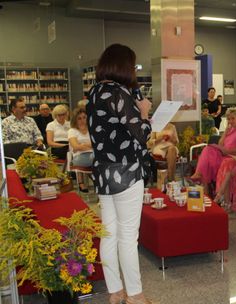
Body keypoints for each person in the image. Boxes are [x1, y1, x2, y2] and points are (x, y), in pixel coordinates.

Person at [86, 43, 153, 304]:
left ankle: (115, 292)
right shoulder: (120, 94)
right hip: (126, 171)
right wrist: (145, 113)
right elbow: (142, 135)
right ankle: (135, 295)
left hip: (103, 172)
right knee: (128, 236)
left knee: (109, 232)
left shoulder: (94, 92)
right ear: (124, 67)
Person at [190, 108, 236, 194]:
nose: (230, 121)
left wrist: (228, 151)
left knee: (207, 154)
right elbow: (220, 144)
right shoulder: (231, 129)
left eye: (233, 118)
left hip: (234, 157)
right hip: (224, 154)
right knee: (208, 151)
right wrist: (226, 131)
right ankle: (203, 185)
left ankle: (202, 183)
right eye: (228, 119)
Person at [67, 107, 94, 192]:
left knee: (98, 159)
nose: (82, 120)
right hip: (79, 157)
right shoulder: (72, 131)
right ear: (75, 120)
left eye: (84, 117)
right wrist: (90, 145)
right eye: (79, 118)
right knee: (98, 159)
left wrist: (82, 145)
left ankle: (96, 182)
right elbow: (75, 147)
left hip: (93, 155)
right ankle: (98, 182)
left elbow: (97, 144)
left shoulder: (92, 129)